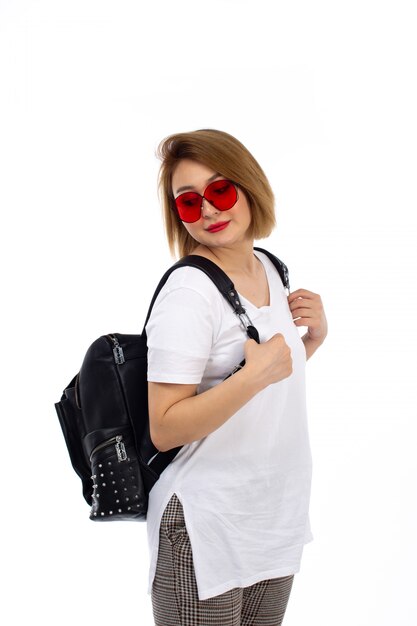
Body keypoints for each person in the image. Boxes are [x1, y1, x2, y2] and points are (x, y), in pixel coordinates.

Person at [145, 128, 328, 626]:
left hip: (272, 516)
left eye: (220, 190)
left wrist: (307, 342)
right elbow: (163, 426)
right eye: (188, 202)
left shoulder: (269, 268)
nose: (208, 209)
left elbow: (265, 386)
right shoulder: (189, 292)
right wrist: (253, 376)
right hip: (207, 526)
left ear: (249, 189)